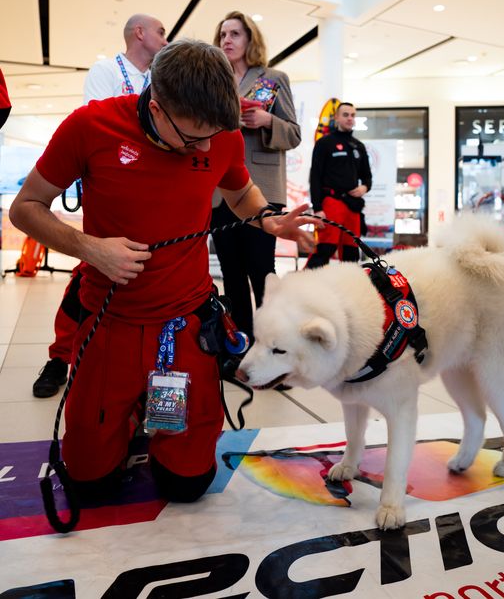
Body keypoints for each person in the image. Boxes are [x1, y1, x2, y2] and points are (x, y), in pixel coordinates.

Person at [10, 38, 315, 503]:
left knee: (188, 485)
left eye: (214, 136)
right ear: (156, 107)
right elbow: (26, 207)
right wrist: (91, 248)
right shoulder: (90, 126)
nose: (206, 146)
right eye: (193, 139)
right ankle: (128, 418)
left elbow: (238, 191)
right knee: (89, 485)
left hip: (183, 327)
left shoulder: (221, 134)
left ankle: (153, 420)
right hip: (109, 322)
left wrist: (267, 218)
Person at [32, 13, 168, 398]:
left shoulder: (162, 79)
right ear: (139, 32)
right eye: (160, 31)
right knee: (91, 275)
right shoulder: (106, 71)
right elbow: (100, 127)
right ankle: (60, 357)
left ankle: (145, 371)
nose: (165, 38)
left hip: (158, 195)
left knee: (154, 281)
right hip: (113, 190)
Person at [211, 11, 301, 341]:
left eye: (235, 34)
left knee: (262, 270)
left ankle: (274, 342)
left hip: (262, 190)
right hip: (219, 189)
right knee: (230, 272)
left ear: (250, 39)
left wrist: (267, 121)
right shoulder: (214, 83)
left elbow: (293, 134)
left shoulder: (274, 79)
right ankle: (241, 343)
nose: (227, 40)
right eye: (223, 35)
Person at [305, 101, 372, 269]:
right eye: (346, 115)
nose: (350, 118)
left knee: (351, 254)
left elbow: (367, 177)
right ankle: (305, 282)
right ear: (336, 118)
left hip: (353, 207)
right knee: (325, 249)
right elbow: (315, 177)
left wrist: (364, 188)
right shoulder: (324, 143)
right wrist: (317, 208)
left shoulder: (359, 146)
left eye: (353, 115)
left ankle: (348, 284)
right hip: (331, 203)